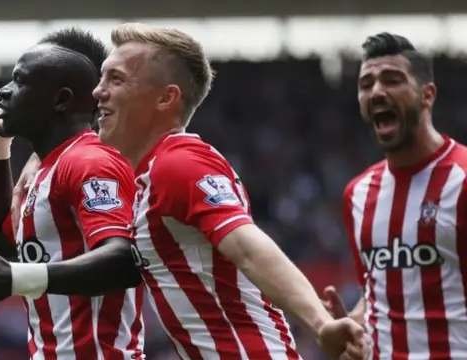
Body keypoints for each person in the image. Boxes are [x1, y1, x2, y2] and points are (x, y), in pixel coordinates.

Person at [90, 23, 368, 359]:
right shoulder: (151, 174)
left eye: (116, 79)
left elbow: (247, 246)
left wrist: (320, 324)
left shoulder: (177, 164)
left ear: (166, 98)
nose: (98, 91)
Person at [0, 28, 146, 359]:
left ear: (61, 99)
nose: (3, 91)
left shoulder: (88, 161)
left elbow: (124, 261)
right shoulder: (45, 172)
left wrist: (17, 278)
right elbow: (2, 243)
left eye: (19, 80)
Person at [321, 32, 467, 359]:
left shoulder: (462, 179)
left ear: (427, 95)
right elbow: (376, 295)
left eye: (392, 80)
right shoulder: (356, 194)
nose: (376, 92)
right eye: (366, 84)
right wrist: (354, 327)